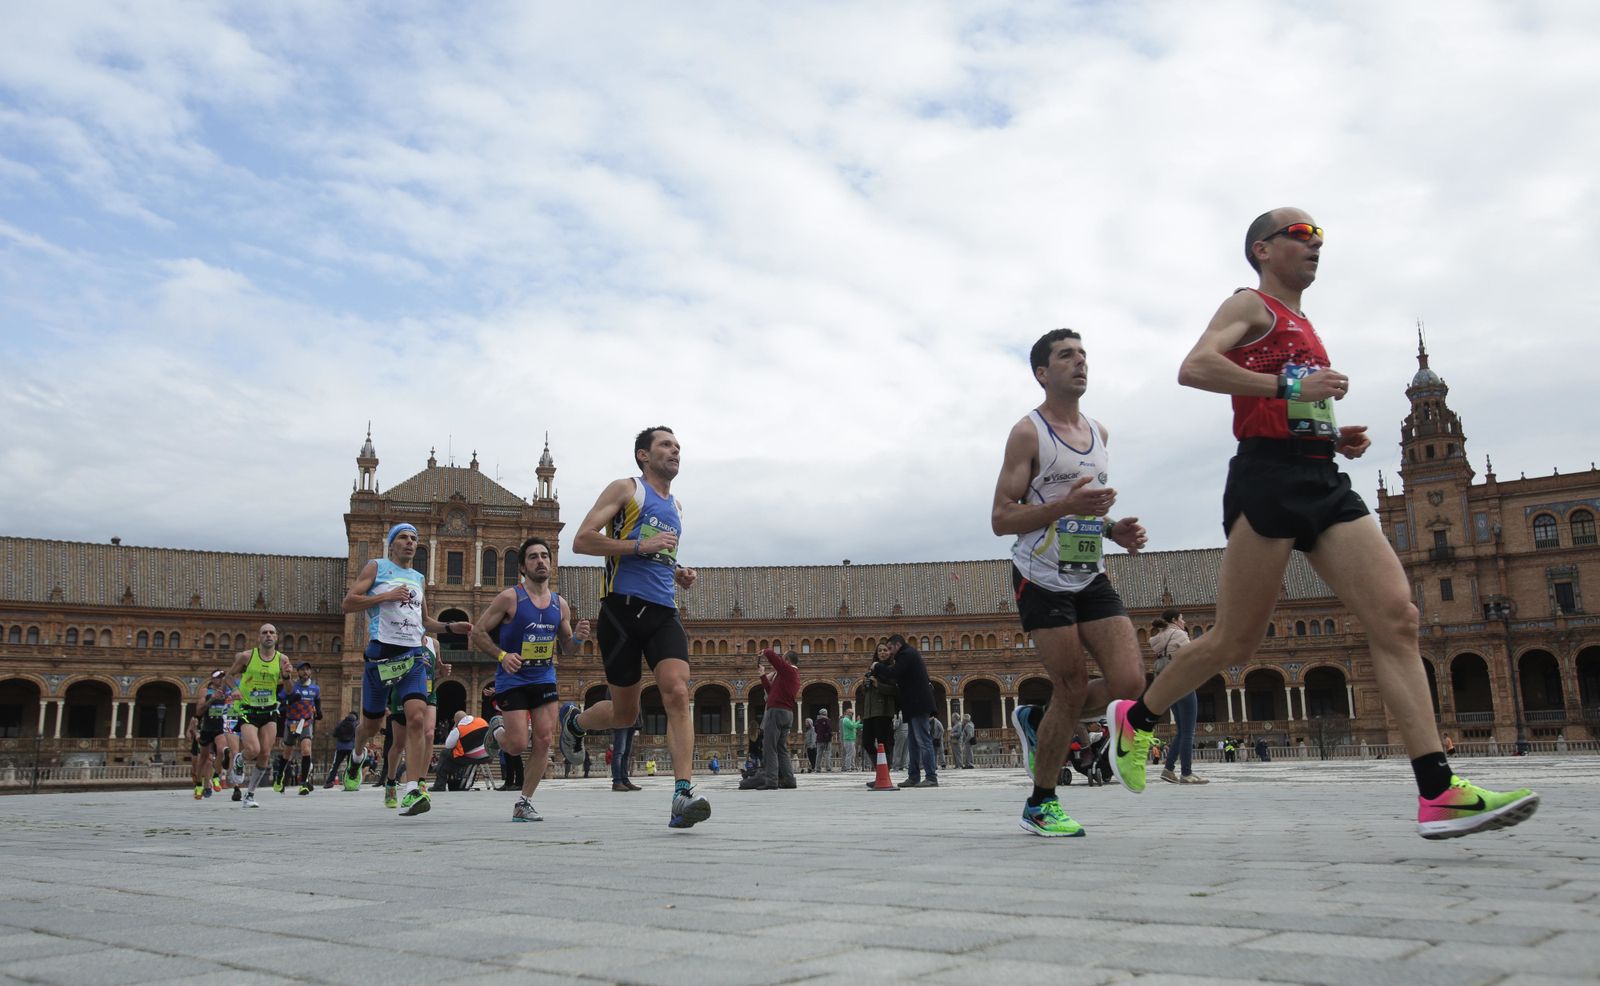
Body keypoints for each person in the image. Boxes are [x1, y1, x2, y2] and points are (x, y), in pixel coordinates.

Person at [1106, 208, 1537, 840]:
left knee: (1398, 617)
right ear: (1262, 248)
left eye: (1320, 238)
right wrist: (1287, 384)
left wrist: (1335, 434)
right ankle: (1137, 719)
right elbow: (1195, 368)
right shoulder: (1249, 305)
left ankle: (1438, 790)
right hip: (1270, 479)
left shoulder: (1306, 324)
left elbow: (1292, 399)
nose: (1316, 246)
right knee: (1234, 641)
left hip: (1322, 478)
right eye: (1302, 235)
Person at [993, 328, 1150, 836]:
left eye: (1083, 354)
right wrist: (1065, 506)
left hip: (1089, 573)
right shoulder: (1028, 433)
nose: (1079, 362)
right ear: (1042, 372)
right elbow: (1001, 517)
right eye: (1066, 356)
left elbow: (1089, 507)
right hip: (1039, 576)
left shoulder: (1099, 433)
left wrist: (1113, 529)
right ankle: (1041, 803)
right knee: (1073, 684)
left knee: (1130, 683)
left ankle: (1040, 720)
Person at [555, 426, 709, 828]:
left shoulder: (677, 505)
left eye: (678, 446)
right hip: (620, 612)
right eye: (665, 445)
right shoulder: (626, 490)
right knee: (626, 713)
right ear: (644, 455)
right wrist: (641, 546)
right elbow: (582, 541)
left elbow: (659, 556)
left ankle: (682, 794)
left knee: (677, 691)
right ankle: (575, 721)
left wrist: (679, 572)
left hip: (663, 611)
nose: (675, 451)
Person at [340, 522, 473, 817]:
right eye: (403, 537)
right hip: (381, 655)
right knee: (371, 726)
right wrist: (384, 596)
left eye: (414, 538)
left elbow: (425, 622)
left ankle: (412, 788)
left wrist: (451, 627)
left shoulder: (418, 578)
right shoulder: (376, 567)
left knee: (416, 719)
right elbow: (349, 603)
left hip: (412, 655)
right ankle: (357, 755)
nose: (410, 542)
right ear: (391, 543)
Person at [472, 536, 590, 822]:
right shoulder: (510, 597)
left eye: (545, 556)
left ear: (551, 562)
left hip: (544, 677)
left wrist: (577, 637)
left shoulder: (559, 605)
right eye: (533, 557)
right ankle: (496, 731)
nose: (541, 561)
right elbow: (477, 632)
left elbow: (567, 648)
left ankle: (524, 802)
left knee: (544, 739)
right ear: (523, 567)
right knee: (516, 744)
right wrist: (502, 656)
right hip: (513, 679)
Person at [222, 624, 296, 808]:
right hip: (248, 709)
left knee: (265, 753)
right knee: (253, 750)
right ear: (259, 638)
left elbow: (289, 691)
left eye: (272, 632)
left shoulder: (282, 659)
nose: (268, 635)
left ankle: (250, 794)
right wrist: (236, 689)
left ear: (277, 637)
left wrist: (286, 677)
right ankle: (239, 759)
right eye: (265, 633)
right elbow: (228, 677)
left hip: (269, 710)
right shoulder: (247, 656)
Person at [870, 636, 938, 788]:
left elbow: (893, 673)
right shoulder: (908, 654)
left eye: (890, 648)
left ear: (897, 645)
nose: (889, 652)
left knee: (923, 740)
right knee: (913, 742)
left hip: (918, 703)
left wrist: (877, 666)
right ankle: (913, 777)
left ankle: (931, 777)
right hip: (912, 705)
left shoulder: (906, 654)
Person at [1150, 613, 1205, 785]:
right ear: (1174, 620)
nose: (1184, 621)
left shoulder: (1158, 637)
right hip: (1183, 682)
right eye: (1182, 618)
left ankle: (1168, 769)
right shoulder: (1179, 634)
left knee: (1182, 731)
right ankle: (1186, 773)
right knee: (1188, 731)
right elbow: (1191, 655)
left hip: (1167, 684)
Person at [744, 647, 798, 790]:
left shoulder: (789, 671)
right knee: (781, 748)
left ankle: (771, 781)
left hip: (777, 712)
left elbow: (776, 661)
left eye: (783, 657)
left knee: (769, 746)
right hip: (786, 713)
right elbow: (771, 691)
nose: (781, 659)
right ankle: (789, 780)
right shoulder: (787, 676)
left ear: (787, 661)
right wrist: (762, 676)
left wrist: (766, 651)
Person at [275, 662, 321, 795]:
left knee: (306, 750)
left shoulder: (315, 689)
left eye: (307, 669)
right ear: (298, 672)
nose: (305, 672)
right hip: (291, 722)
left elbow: (317, 701)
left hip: (306, 722)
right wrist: (289, 701)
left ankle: (304, 782)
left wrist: (319, 711)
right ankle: (279, 777)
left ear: (310, 672)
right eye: (302, 670)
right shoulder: (291, 687)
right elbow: (279, 703)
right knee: (287, 753)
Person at [186, 671, 229, 800]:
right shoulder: (205, 692)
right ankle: (199, 784)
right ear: (212, 679)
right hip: (207, 728)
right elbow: (198, 711)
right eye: (218, 678)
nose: (221, 680)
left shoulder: (227, 691)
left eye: (223, 677)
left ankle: (216, 775)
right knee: (204, 759)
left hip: (220, 728)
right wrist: (212, 699)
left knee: (222, 750)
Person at [859, 649, 899, 776]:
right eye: (880, 650)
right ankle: (880, 770)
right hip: (869, 711)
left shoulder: (892, 669)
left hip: (884, 711)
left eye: (885, 650)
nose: (883, 652)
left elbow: (895, 690)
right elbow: (864, 692)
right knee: (866, 742)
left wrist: (878, 685)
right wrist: (864, 685)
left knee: (884, 743)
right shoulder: (871, 670)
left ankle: (884, 773)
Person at [324, 712, 358, 788]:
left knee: (336, 765)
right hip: (350, 747)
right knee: (351, 765)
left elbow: (334, 734)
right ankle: (350, 781)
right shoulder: (356, 724)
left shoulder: (341, 723)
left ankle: (329, 782)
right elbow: (358, 735)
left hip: (340, 747)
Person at [611, 710, 641, 792]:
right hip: (620, 719)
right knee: (619, 752)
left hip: (632, 719)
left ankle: (625, 780)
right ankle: (617, 781)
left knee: (626, 752)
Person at [839, 705, 860, 773]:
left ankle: (852, 766)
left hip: (851, 739)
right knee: (849, 754)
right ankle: (848, 767)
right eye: (851, 712)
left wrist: (863, 725)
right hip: (848, 739)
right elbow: (852, 726)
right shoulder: (846, 719)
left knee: (853, 754)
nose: (852, 714)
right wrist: (858, 721)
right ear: (847, 713)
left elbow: (855, 725)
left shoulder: (849, 720)